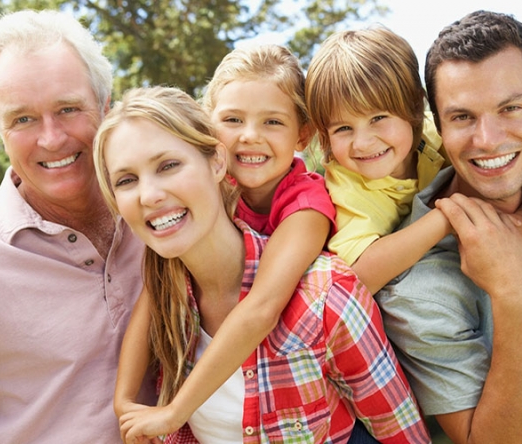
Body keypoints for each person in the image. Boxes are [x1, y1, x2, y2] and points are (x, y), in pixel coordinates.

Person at [92, 86, 430, 443]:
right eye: (127, 180)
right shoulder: (170, 301)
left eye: (169, 166)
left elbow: (403, 435)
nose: (150, 195)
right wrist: (126, 407)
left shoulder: (326, 297)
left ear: (218, 162)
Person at [0, 9, 155, 444]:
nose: (51, 138)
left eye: (68, 109)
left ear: (106, 106)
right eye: (22, 118)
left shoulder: (160, 221)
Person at [112, 43, 338, 440]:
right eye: (232, 119)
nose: (250, 137)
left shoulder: (306, 206)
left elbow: (262, 307)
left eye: (272, 122)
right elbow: (154, 292)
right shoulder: (209, 193)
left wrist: (174, 412)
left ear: (303, 135)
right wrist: (124, 400)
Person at [375, 10, 522, 443]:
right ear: (439, 126)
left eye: (510, 108)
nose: (488, 139)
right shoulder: (418, 290)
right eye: (463, 117)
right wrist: (512, 293)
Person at [304, 26, 449, 293]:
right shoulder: (347, 185)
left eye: (378, 118)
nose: (362, 143)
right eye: (342, 128)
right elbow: (359, 276)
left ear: (416, 106)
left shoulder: (434, 137)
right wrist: (446, 217)